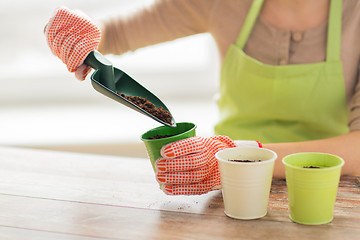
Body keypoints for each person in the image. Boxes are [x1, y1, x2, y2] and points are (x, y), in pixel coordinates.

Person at [45, 0, 360, 195]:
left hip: (327, 189)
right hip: (228, 187)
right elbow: (115, 33)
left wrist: (238, 156)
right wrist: (76, 30)